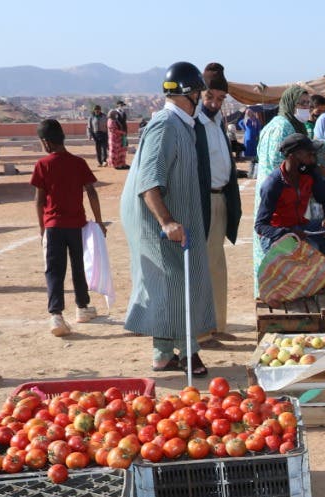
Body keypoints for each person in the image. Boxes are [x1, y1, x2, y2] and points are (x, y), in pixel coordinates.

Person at [120, 61, 214, 376]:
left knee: (172, 283)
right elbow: (149, 181)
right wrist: (166, 222)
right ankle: (189, 353)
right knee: (175, 282)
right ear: (189, 94)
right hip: (155, 218)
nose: (200, 99)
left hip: (169, 214)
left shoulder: (181, 125)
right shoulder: (165, 126)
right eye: (198, 93)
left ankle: (162, 355)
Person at [30, 119, 103, 338]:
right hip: (77, 225)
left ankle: (56, 314)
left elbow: (39, 200)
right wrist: (99, 221)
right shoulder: (78, 162)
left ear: (45, 142)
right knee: (79, 266)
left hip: (53, 226)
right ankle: (82, 307)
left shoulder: (42, 164)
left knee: (54, 270)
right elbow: (91, 192)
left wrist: (42, 228)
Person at [197, 63, 243, 345]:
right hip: (203, 203)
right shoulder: (193, 124)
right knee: (203, 268)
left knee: (217, 266)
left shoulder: (217, 123)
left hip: (220, 199)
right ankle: (202, 332)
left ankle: (216, 325)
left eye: (220, 99)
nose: (214, 103)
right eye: (210, 97)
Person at [251, 84, 309, 293]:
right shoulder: (285, 127)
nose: (305, 107)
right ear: (290, 103)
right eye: (301, 103)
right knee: (280, 248)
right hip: (280, 197)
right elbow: (284, 165)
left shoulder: (274, 124)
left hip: (268, 193)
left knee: (267, 252)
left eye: (308, 103)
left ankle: (266, 292)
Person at [254, 133, 325, 255]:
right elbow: (260, 226)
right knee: (302, 253)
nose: (313, 160)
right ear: (293, 156)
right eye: (309, 155)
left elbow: (324, 199)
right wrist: (288, 233)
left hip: (300, 227)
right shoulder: (273, 184)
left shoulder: (311, 174)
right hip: (276, 235)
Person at [107, 100, 130, 169]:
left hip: (122, 135)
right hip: (116, 137)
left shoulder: (123, 113)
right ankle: (116, 164)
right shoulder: (112, 119)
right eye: (121, 105)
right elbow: (113, 129)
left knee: (123, 149)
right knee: (116, 151)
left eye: (123, 105)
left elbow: (124, 123)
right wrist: (121, 132)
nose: (122, 106)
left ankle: (122, 163)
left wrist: (124, 132)